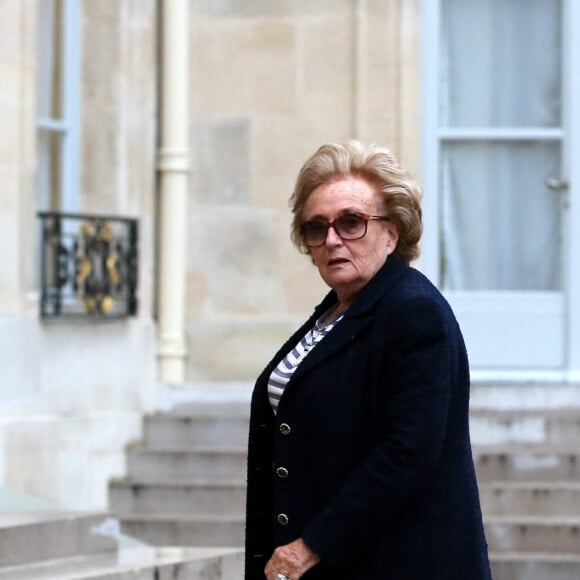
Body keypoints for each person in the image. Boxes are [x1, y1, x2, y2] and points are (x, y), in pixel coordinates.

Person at [245, 141, 492, 580]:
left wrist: (309, 548)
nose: (332, 239)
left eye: (351, 222)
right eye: (316, 227)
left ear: (393, 232)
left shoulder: (413, 310)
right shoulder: (337, 311)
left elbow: (408, 453)